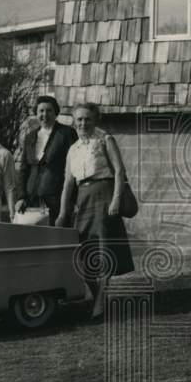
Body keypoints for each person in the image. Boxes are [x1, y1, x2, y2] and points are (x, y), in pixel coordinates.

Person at [57, 102, 134, 319]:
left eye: (87, 119)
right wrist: (63, 213)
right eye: (79, 119)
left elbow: (119, 171)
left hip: (104, 195)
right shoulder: (73, 149)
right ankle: (98, 294)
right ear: (74, 121)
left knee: (103, 249)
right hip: (83, 198)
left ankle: (100, 302)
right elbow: (67, 183)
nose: (83, 123)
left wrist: (116, 200)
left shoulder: (104, 140)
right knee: (82, 250)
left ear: (95, 120)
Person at [15, 95, 77, 225]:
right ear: (36, 113)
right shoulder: (30, 137)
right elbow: (23, 169)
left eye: (49, 110)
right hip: (31, 199)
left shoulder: (66, 133)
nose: (45, 114)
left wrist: (72, 200)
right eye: (41, 111)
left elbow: (74, 168)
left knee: (56, 238)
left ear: (56, 113)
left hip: (57, 200)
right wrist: (21, 197)